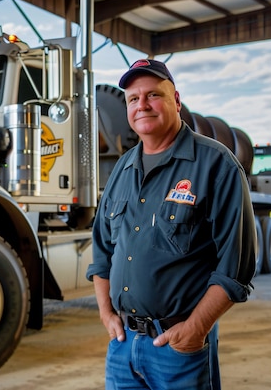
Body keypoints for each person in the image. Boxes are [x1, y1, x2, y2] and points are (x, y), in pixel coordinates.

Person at [86, 59, 256, 390]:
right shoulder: (122, 168)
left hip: (178, 349)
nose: (142, 105)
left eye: (153, 95)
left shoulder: (216, 164)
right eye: (133, 99)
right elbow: (103, 250)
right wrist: (106, 313)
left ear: (176, 101)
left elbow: (236, 267)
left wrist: (196, 328)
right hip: (123, 346)